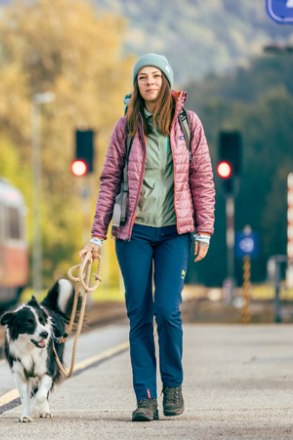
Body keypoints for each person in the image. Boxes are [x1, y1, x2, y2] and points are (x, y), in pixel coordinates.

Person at [79, 53, 215, 422]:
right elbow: (109, 181)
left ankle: (173, 386)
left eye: (156, 76)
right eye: (143, 77)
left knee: (167, 311)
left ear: (167, 81)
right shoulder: (125, 126)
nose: (150, 82)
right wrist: (95, 236)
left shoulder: (189, 123)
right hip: (133, 234)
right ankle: (146, 397)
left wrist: (204, 230)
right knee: (138, 314)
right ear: (136, 85)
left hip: (175, 233)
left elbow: (202, 178)